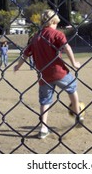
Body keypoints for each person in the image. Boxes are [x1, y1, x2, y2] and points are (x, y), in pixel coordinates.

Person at [14, 9, 83, 139]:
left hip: (43, 76)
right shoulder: (57, 34)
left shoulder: (35, 37)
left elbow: (25, 54)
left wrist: (18, 66)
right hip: (59, 72)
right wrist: (74, 63)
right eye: (56, 23)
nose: (56, 25)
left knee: (45, 101)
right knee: (72, 88)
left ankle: (43, 129)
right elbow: (67, 47)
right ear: (53, 21)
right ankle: (78, 114)